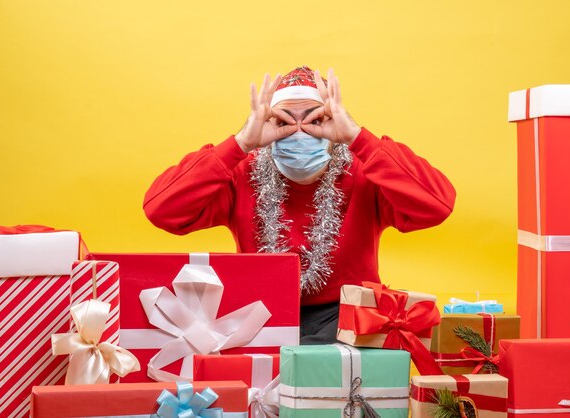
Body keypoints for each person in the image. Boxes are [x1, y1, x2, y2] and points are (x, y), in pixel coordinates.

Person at [143, 66, 456, 344]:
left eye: (315, 119)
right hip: (259, 313)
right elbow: (162, 209)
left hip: (347, 316)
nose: (300, 132)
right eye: (284, 121)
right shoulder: (244, 173)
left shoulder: (364, 172)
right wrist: (241, 143)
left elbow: (436, 204)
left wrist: (357, 137)